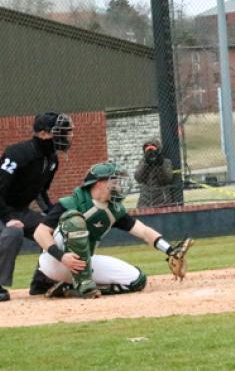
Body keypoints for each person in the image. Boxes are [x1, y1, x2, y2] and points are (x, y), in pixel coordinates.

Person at [32, 161, 193, 298]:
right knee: (74, 220)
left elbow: (143, 231)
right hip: (55, 262)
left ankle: (70, 288)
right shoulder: (72, 202)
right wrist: (62, 257)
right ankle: (74, 282)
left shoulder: (113, 210)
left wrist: (170, 250)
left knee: (137, 280)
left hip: (83, 265)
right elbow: (40, 233)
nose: (118, 186)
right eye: (114, 181)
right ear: (99, 183)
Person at [0, 112, 73, 301]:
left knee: (55, 231)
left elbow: (40, 191)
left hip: (19, 210)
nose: (67, 136)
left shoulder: (52, 159)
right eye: (61, 132)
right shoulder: (17, 153)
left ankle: (42, 281)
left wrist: (52, 215)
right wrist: (8, 219)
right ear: (43, 133)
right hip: (3, 210)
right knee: (12, 233)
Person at [134, 139, 174, 208]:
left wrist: (160, 165)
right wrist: (146, 164)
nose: (151, 153)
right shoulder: (143, 162)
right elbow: (138, 178)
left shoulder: (166, 162)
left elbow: (167, 179)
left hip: (162, 202)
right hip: (145, 202)